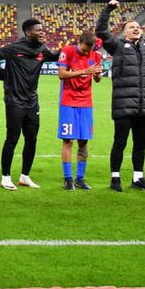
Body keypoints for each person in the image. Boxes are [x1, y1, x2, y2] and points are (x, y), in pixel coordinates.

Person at [96, 0, 145, 192]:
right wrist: (108, 10)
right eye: (131, 27)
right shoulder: (117, 45)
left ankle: (138, 178)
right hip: (124, 105)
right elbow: (101, 31)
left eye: (138, 27)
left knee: (141, 144)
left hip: (144, 105)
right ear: (124, 32)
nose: (136, 29)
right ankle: (115, 178)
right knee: (120, 142)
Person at [0, 18, 61, 190]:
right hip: (14, 101)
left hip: (32, 102)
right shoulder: (13, 48)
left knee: (31, 139)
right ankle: (5, 177)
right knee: (12, 138)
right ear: (28, 32)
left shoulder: (42, 50)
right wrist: (6, 76)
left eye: (42, 29)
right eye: (38, 30)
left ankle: (25, 176)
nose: (42, 32)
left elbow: (57, 56)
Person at [56, 30, 104, 191]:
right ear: (79, 43)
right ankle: (68, 179)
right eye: (84, 50)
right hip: (68, 101)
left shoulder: (96, 55)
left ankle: (80, 178)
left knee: (83, 141)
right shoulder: (67, 51)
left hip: (86, 103)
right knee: (68, 141)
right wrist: (84, 71)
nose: (86, 53)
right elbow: (61, 74)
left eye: (89, 50)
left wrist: (97, 74)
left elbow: (98, 79)